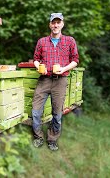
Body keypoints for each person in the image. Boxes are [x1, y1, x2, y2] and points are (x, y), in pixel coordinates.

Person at [31, 13, 79, 151]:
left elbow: (75, 60)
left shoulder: (70, 41)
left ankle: (52, 139)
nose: (55, 25)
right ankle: (38, 137)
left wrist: (64, 68)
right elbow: (35, 58)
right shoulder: (42, 42)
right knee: (35, 111)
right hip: (44, 80)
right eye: (53, 22)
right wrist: (38, 67)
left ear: (62, 24)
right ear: (49, 25)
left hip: (60, 81)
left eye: (58, 22)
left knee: (57, 114)